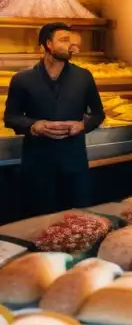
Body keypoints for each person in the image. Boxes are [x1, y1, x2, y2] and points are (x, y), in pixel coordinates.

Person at [3, 23, 105, 217]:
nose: (71, 46)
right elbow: (10, 117)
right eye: (64, 40)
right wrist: (34, 126)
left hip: (74, 163)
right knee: (38, 222)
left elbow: (98, 114)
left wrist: (83, 125)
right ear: (48, 44)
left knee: (76, 220)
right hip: (37, 165)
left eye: (71, 41)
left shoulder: (83, 77)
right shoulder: (22, 79)